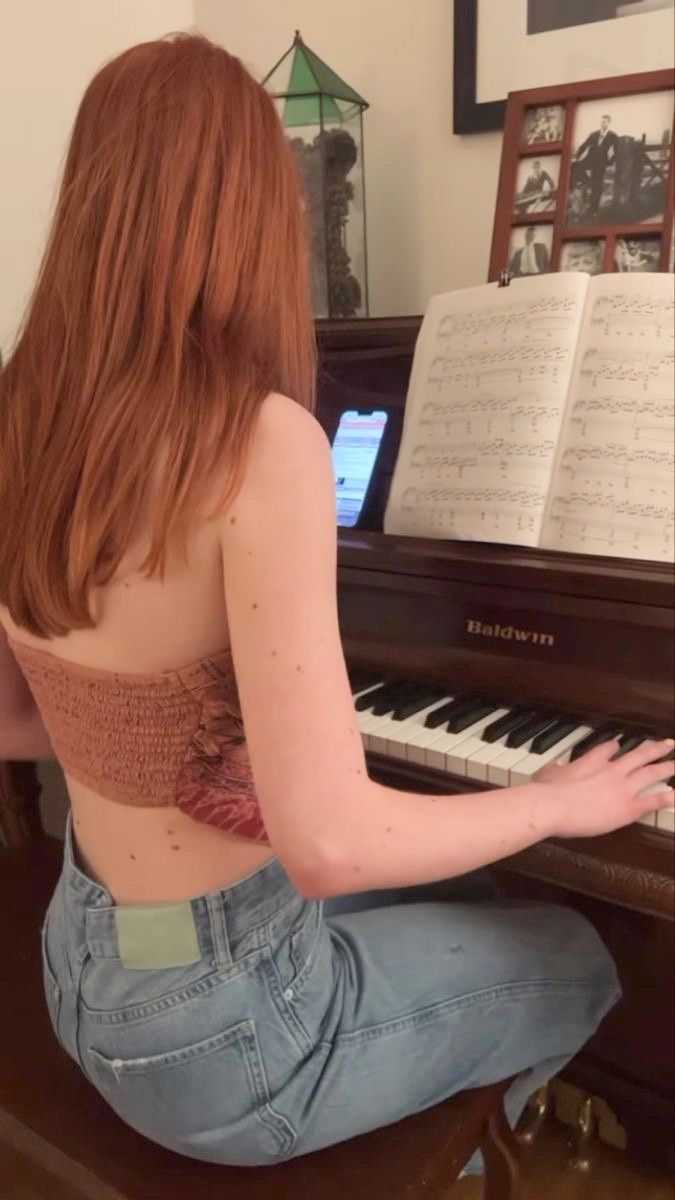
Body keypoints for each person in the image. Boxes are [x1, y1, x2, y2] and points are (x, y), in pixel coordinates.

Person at [1, 34, 672, 1174]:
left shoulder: (25, 413)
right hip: (228, 1039)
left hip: (87, 965)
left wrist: (172, 749)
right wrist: (556, 800)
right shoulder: (258, 442)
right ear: (253, 215)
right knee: (579, 946)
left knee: (470, 875)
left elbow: (17, 721)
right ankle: (443, 1152)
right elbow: (327, 844)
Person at [572, 113, 619, 217]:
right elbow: (584, 145)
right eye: (601, 121)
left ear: (609, 123)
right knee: (575, 166)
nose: (602, 123)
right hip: (590, 159)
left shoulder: (613, 135)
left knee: (597, 186)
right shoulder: (594, 134)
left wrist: (610, 161)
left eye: (605, 122)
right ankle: (586, 181)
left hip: (601, 163)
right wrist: (577, 156)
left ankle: (593, 209)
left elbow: (617, 150)